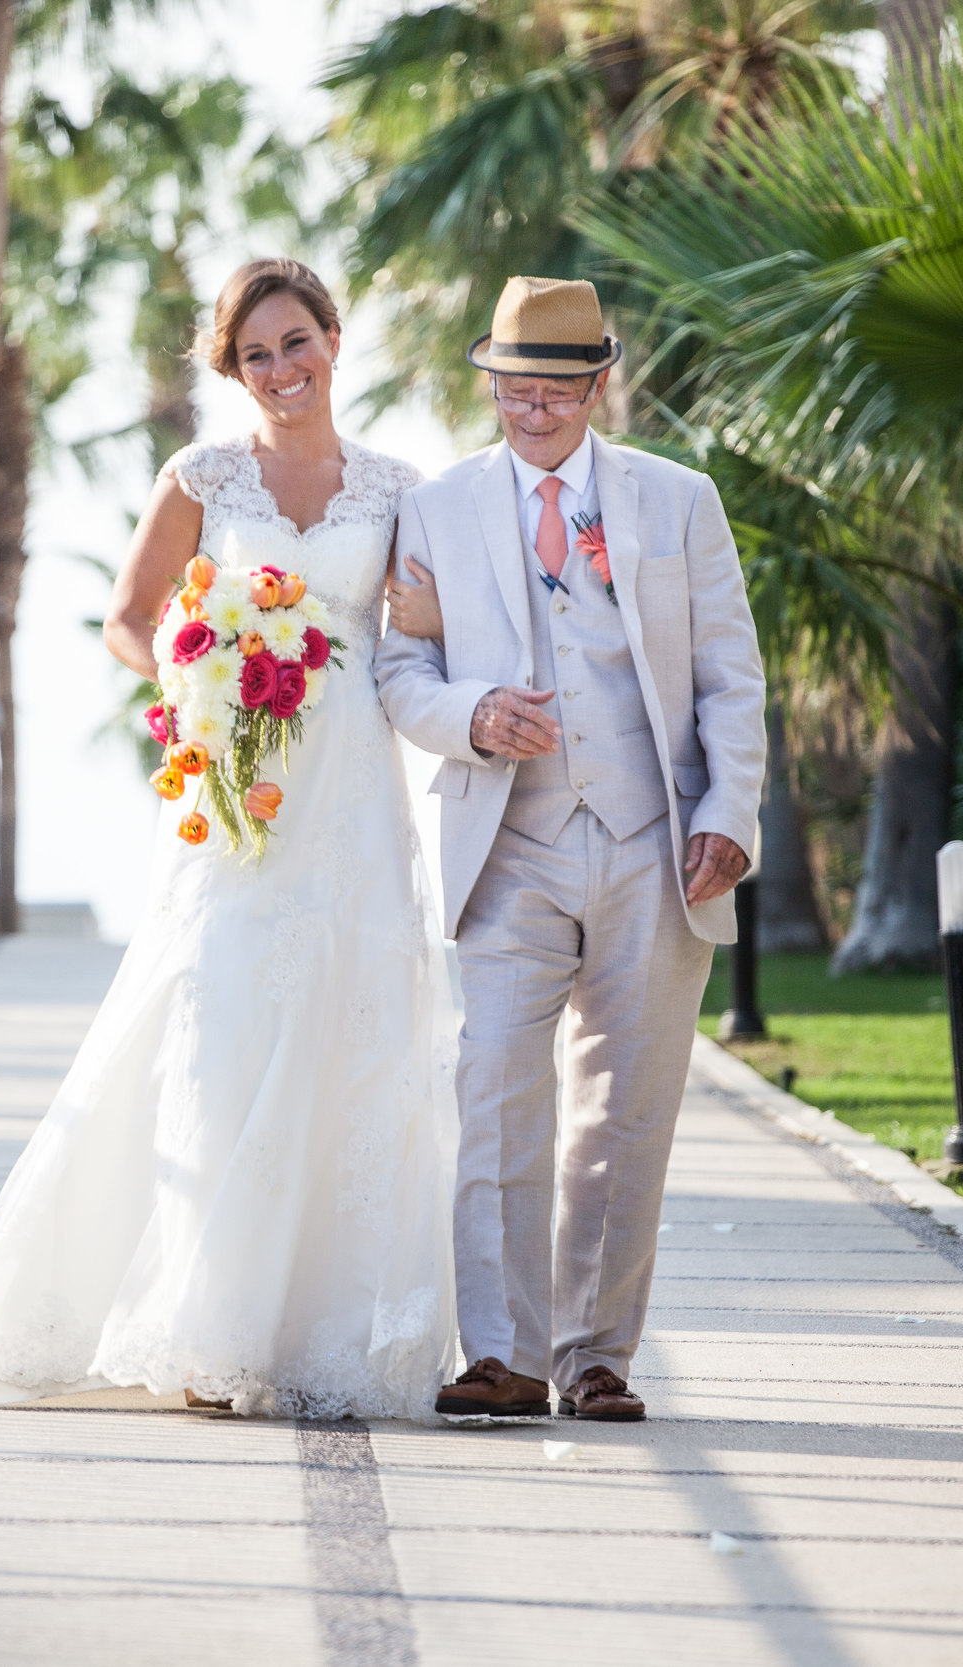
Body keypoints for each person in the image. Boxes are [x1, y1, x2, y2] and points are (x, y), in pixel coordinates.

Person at [0, 259, 458, 1418]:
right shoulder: (203, 476)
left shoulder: (397, 487)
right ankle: (207, 1324)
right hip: (238, 784)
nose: (280, 370)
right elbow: (131, 621)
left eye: (295, 342)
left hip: (352, 789)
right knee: (221, 1019)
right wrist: (206, 673)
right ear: (231, 370)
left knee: (353, 1023)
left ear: (335, 338)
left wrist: (424, 625)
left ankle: (329, 1326)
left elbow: (418, 624)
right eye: (254, 355)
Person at [376, 275, 767, 1424]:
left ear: (598, 383)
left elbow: (730, 676)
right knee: (496, 1086)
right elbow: (400, 671)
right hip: (511, 841)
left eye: (554, 387)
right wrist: (473, 715)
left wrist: (726, 817)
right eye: (510, 386)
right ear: (488, 382)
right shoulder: (434, 509)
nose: (531, 408)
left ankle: (597, 1354)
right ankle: (498, 1350)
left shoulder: (680, 501)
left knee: (626, 1108)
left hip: (656, 838)